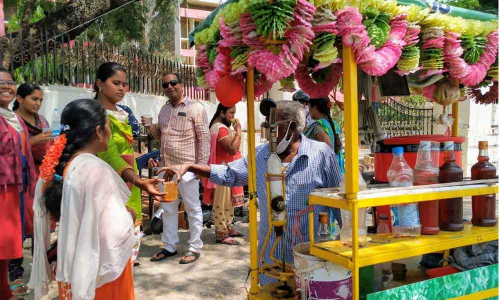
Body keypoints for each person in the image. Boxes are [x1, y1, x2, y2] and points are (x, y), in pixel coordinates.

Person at [159, 101, 342, 283]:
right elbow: (230, 174)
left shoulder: (321, 154)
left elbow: (340, 202)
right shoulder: (261, 155)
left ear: (292, 127)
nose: (267, 131)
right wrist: (191, 167)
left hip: (310, 258)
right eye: (265, 125)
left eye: (272, 126)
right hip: (271, 259)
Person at [29, 99, 136, 300]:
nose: (110, 132)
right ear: (98, 131)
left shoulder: (60, 168)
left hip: (72, 265)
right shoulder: (95, 169)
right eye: (108, 127)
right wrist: (130, 216)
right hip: (99, 276)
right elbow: (114, 232)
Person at [94, 62, 162, 267]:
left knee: (129, 232)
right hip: (107, 180)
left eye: (125, 84)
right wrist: (138, 180)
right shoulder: (93, 114)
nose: (122, 88)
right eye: (116, 83)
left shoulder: (124, 113)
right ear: (99, 84)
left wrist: (139, 157)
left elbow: (124, 149)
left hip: (129, 178)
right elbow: (109, 153)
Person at [142, 72, 210, 264]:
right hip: (167, 170)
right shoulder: (163, 110)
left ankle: (194, 247)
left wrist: (201, 167)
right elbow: (160, 137)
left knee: (192, 209)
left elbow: (204, 138)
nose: (170, 87)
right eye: (165, 85)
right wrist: (150, 127)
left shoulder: (195, 107)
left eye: (173, 83)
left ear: (181, 85)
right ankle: (169, 246)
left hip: (187, 170)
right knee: (168, 208)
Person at [0, 68, 37, 300]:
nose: (6, 86)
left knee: (6, 247)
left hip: (16, 189)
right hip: (2, 189)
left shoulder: (15, 119)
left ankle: (4, 291)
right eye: (0, 82)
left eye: (10, 82)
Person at [202, 104, 245, 245]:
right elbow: (232, 149)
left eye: (234, 113)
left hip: (226, 169)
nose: (233, 116)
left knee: (228, 201)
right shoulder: (220, 128)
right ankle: (221, 234)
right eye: (231, 113)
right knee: (221, 202)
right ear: (222, 113)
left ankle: (228, 227)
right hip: (221, 170)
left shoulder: (220, 127)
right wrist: (238, 131)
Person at [304, 97, 345, 173]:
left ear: (315, 108)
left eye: (309, 107)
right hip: (336, 170)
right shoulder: (333, 124)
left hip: (325, 173)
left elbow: (327, 148)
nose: (309, 111)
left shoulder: (318, 126)